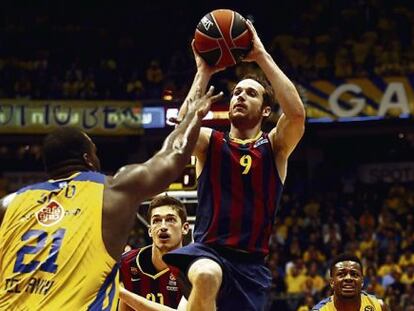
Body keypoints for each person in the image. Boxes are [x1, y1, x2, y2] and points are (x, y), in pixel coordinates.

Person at [0, 86, 222, 310]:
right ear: (88, 159)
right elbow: (172, 156)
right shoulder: (110, 191)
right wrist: (194, 113)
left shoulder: (8, 205)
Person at [163, 19, 306, 311]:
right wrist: (203, 72)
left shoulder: (275, 147)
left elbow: (296, 115)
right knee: (205, 274)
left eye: (250, 93)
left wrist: (261, 55)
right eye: (237, 92)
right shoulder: (209, 142)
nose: (240, 96)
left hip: (251, 267)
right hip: (207, 252)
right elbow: (180, 133)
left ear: (266, 110)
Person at [119, 195, 189, 311]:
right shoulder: (126, 263)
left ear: (185, 228)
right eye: (156, 221)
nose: (163, 227)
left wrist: (122, 293)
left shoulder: (193, 267)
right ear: (150, 231)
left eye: (170, 219)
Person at [312, 254, 389, 311]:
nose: (348, 278)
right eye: (341, 274)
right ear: (332, 282)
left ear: (362, 281)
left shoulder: (379, 306)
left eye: (354, 274)